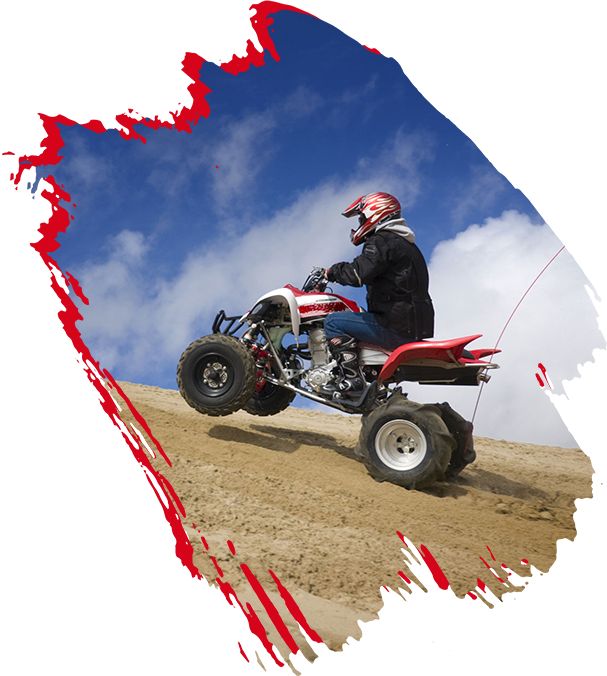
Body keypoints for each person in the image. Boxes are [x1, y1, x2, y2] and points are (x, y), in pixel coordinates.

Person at [322, 191, 434, 393]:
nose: (360, 222)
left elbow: (358, 273)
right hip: (412, 327)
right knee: (359, 316)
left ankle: (351, 379)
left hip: (395, 326)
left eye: (362, 217)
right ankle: (368, 374)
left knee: (333, 322)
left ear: (376, 212)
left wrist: (331, 272)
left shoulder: (382, 240)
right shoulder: (408, 246)